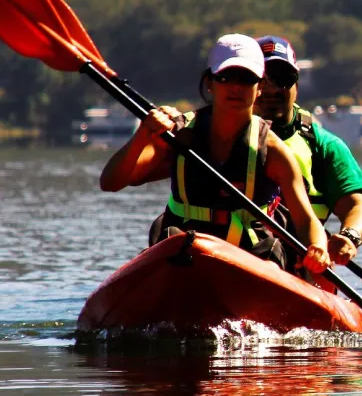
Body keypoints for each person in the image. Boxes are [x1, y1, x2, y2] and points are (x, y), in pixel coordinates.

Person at [99, 33, 331, 275]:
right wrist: (143, 134)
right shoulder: (180, 134)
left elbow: (306, 221)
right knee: (170, 237)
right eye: (226, 77)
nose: (236, 87)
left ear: (260, 87)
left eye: (246, 79)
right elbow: (111, 182)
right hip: (185, 251)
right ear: (210, 82)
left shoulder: (273, 150)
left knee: (270, 250)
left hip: (247, 257)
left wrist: (318, 246)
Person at [252, 35, 362, 269]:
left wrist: (350, 237)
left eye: (283, 79)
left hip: (299, 264)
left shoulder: (325, 146)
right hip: (236, 254)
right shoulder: (220, 134)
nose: (273, 89)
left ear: (296, 86)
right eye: (262, 80)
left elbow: (357, 207)